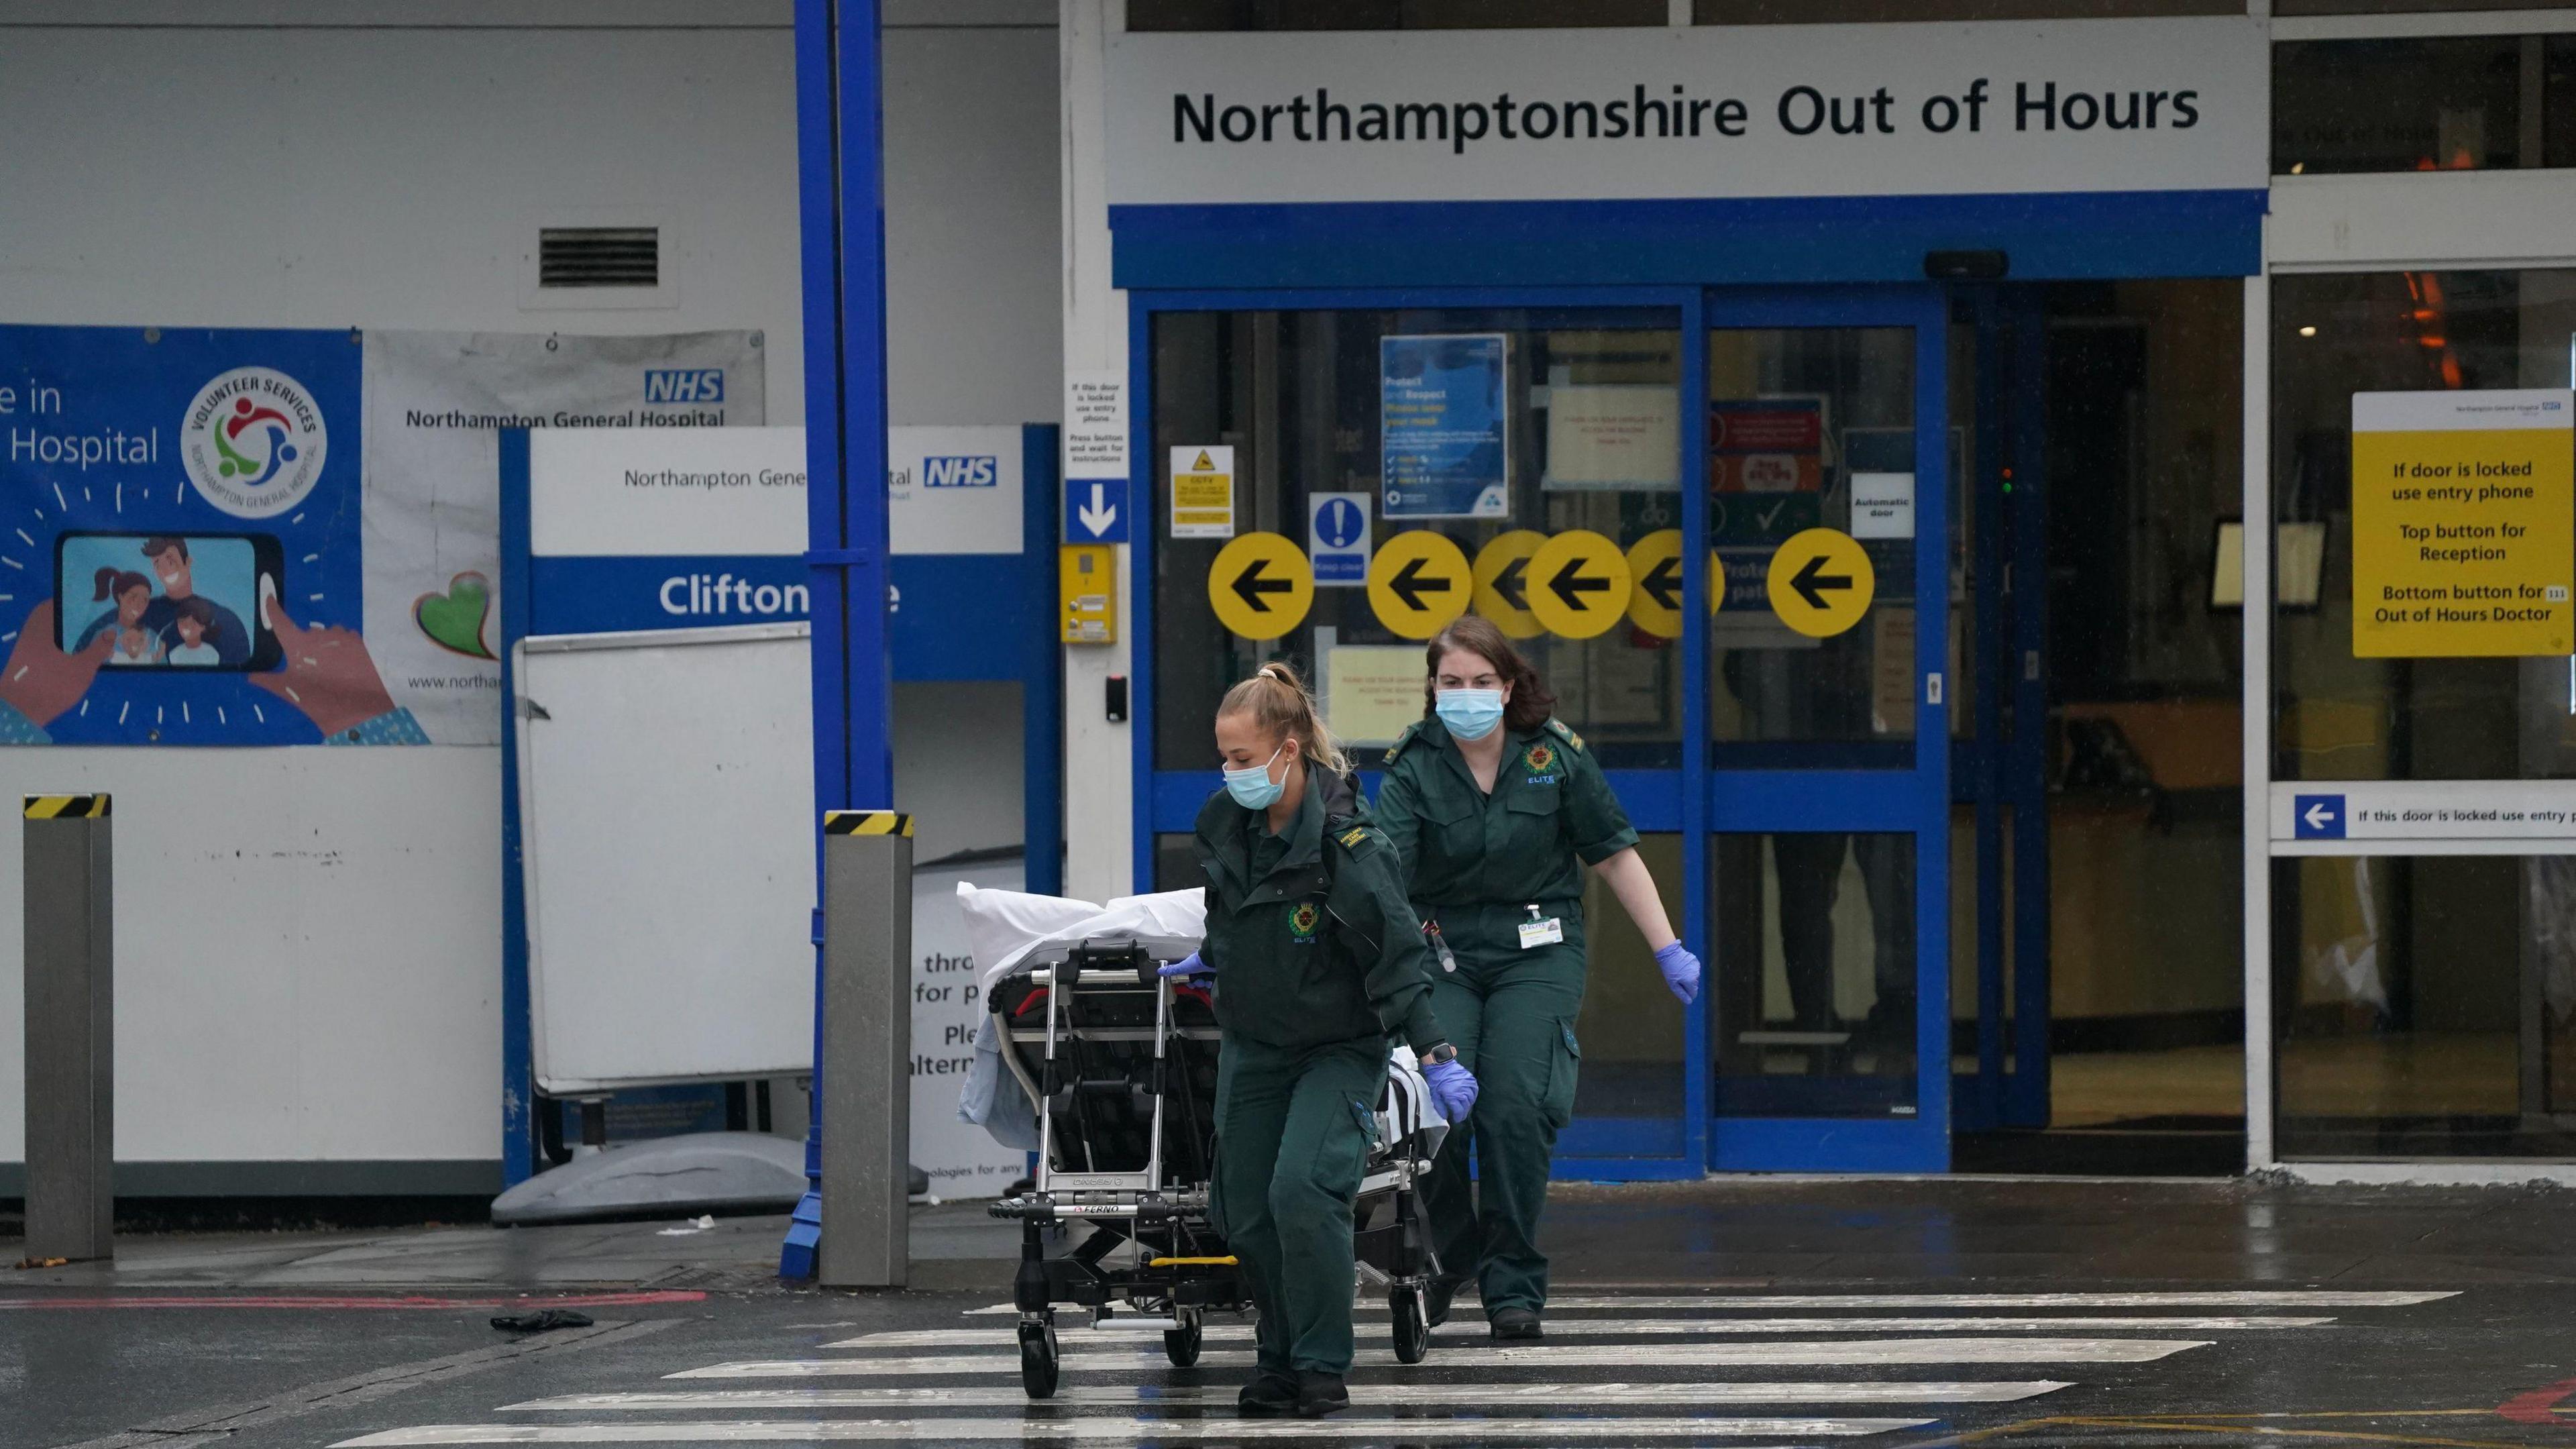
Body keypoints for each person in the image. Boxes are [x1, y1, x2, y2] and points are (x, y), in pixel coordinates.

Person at [1371, 616, 1701, 1341]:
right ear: (1433, 689)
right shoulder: (1416, 763)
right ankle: (1447, 1256)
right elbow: (1383, 873)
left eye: (1481, 682)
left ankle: (1513, 1281)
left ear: (1510, 684)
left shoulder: (1555, 757)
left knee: (1517, 1107)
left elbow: (1613, 853)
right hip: (1442, 949)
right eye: (1451, 683)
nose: (1466, 695)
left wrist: (1666, 948)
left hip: (1538, 950)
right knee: (1435, 1109)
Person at [1164, 661, 1479, 1419]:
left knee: (1303, 1192)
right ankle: (1278, 1355)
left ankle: (1318, 1366)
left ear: (1291, 749)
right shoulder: (1228, 826)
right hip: (1256, 1045)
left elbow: (1399, 953)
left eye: (1243, 758)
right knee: (1240, 1208)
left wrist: (1436, 1055)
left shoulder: (1349, 846)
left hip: (1338, 1048)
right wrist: (1214, 957)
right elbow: (1227, 914)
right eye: (1224, 757)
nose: (1230, 772)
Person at [136, 537, 250, 665]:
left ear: (188, 562)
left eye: (170, 559)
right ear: (155, 572)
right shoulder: (141, 614)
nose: (166, 569)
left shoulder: (226, 619)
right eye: (157, 564)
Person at [166, 597, 221, 665]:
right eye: (181, 622)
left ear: (203, 626)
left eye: (192, 623)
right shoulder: (174, 654)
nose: (186, 627)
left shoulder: (211, 654)